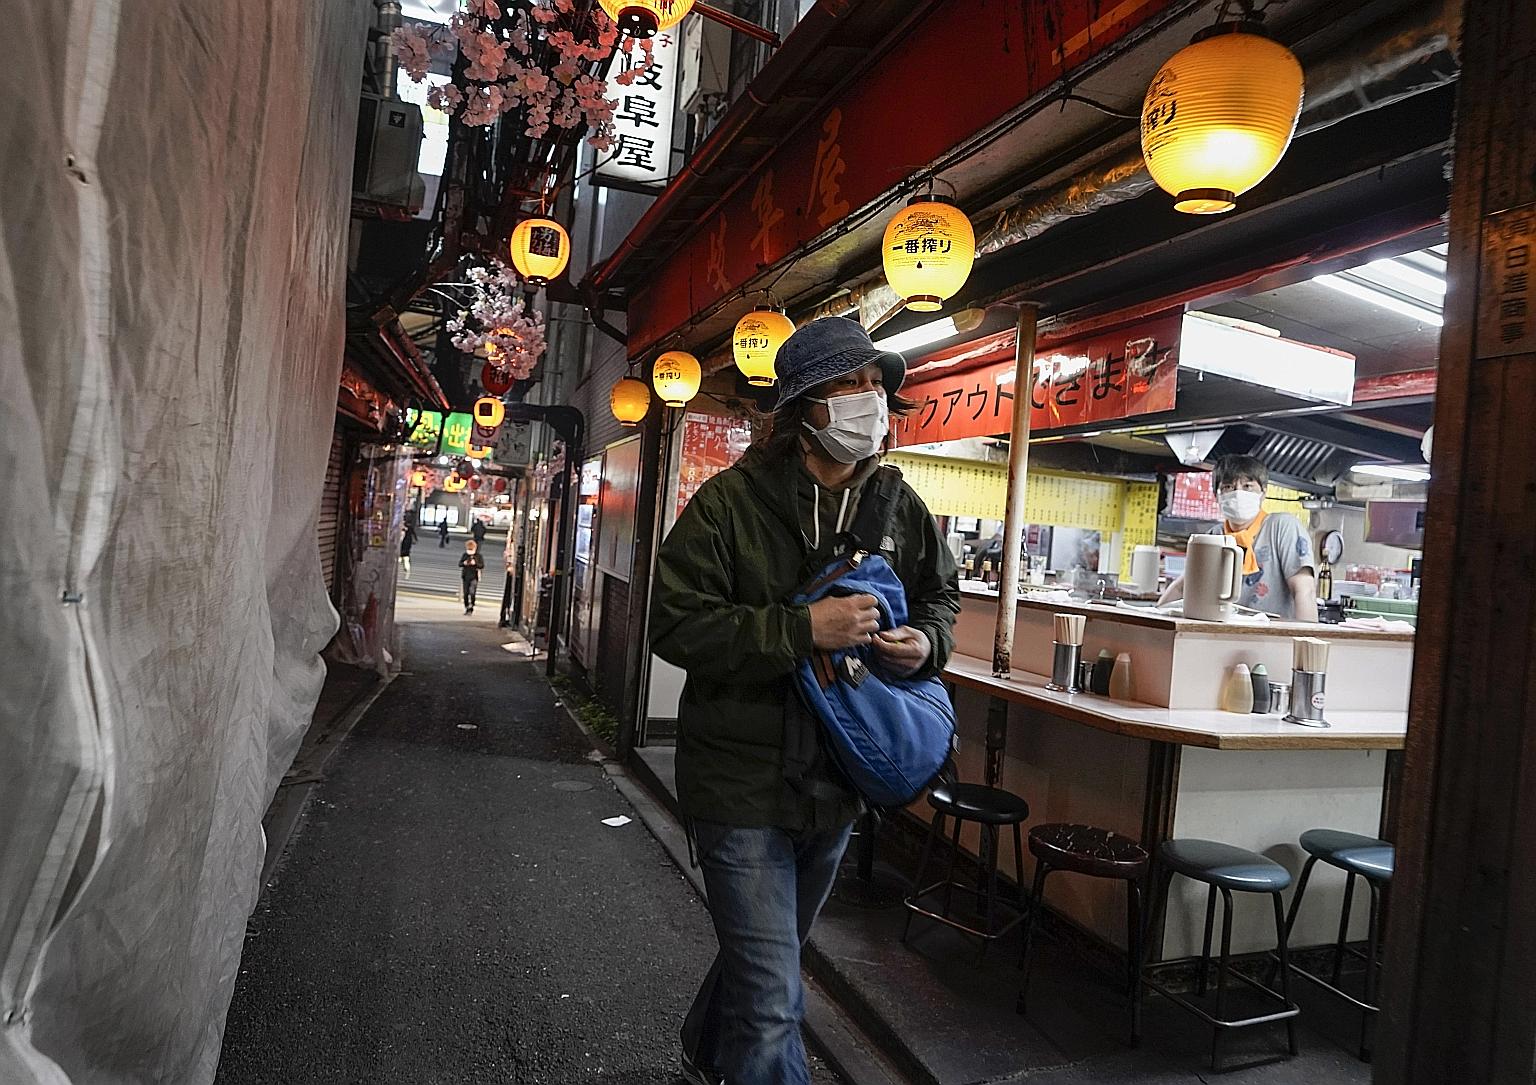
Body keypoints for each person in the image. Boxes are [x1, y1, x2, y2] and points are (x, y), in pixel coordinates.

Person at [651, 316, 960, 1085]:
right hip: (739, 781)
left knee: (770, 958)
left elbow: (940, 597)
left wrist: (926, 642)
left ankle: (703, 1047)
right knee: (773, 1001)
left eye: (876, 384)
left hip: (836, 782)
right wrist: (801, 629)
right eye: (852, 382)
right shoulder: (729, 504)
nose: (872, 398)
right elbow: (674, 623)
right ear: (805, 406)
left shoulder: (896, 505)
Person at [1158, 454, 1318, 621]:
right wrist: (1155, 615)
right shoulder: (1214, 537)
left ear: (1263, 492)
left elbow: (1304, 590)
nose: (1238, 493)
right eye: (1228, 487)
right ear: (1217, 495)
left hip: (1272, 632)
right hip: (1222, 631)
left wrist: (1306, 633)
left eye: (1247, 486)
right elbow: (1183, 587)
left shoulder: (1282, 527)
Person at [458, 539, 484, 615]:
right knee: (466, 593)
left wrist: (475, 563)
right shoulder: (465, 555)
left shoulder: (478, 556)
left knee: (472, 592)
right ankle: (467, 606)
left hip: (474, 576)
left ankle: (471, 605)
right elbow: (460, 564)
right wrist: (465, 563)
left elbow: (481, 565)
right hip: (466, 576)